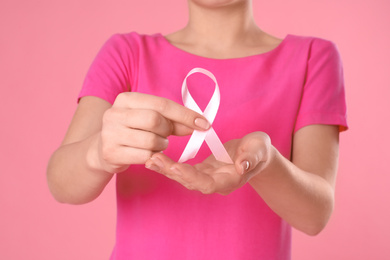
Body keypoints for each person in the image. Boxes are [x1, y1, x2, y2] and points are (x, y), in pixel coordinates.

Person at [47, 0, 348, 259]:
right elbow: (61, 183)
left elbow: (315, 216)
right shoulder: (127, 53)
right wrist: (98, 153)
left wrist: (267, 163)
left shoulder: (312, 58)